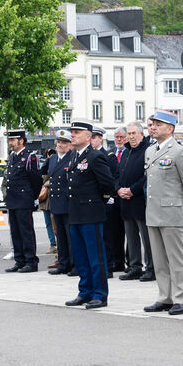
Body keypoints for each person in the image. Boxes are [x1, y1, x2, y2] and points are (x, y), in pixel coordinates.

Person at [141, 111, 183, 315]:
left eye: (158, 124)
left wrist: (181, 204)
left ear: (170, 128)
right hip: (153, 212)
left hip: (172, 212)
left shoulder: (180, 151)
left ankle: (181, 299)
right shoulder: (150, 151)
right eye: (152, 123)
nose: (153, 127)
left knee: (177, 259)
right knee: (159, 260)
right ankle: (164, 297)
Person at [64, 122, 116, 309]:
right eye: (72, 132)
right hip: (76, 213)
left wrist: (98, 201)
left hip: (91, 213)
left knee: (95, 257)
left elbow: (108, 184)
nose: (73, 135)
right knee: (81, 256)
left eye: (77, 132)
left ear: (88, 136)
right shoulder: (74, 156)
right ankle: (85, 291)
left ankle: (100, 295)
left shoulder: (95, 156)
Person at [116, 122, 152, 282]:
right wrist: (118, 189)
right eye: (129, 134)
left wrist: (132, 190)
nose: (131, 137)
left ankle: (151, 268)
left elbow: (147, 176)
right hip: (125, 201)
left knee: (147, 238)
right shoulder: (126, 152)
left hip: (140, 201)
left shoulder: (148, 150)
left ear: (141, 134)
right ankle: (135, 267)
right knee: (131, 238)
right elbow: (118, 174)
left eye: (134, 133)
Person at [3, 130, 43, 273]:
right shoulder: (12, 157)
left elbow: (36, 180)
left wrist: (33, 198)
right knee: (15, 232)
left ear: (21, 141)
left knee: (26, 232)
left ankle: (31, 261)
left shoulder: (30, 157)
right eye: (10, 140)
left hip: (24, 200)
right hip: (13, 200)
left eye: (13, 140)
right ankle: (19, 260)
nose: (10, 143)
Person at [44, 134, 74, 275]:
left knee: (70, 236)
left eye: (64, 142)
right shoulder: (53, 159)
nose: (60, 145)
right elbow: (46, 174)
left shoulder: (72, 157)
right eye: (58, 142)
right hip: (55, 202)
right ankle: (62, 263)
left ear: (69, 145)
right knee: (60, 236)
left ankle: (73, 264)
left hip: (67, 202)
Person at [97, 128, 125, 274]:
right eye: (116, 137)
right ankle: (112, 262)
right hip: (101, 201)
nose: (119, 139)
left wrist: (111, 194)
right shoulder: (110, 152)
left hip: (114, 199)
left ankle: (115, 262)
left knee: (113, 233)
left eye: (121, 137)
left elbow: (113, 177)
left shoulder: (109, 156)